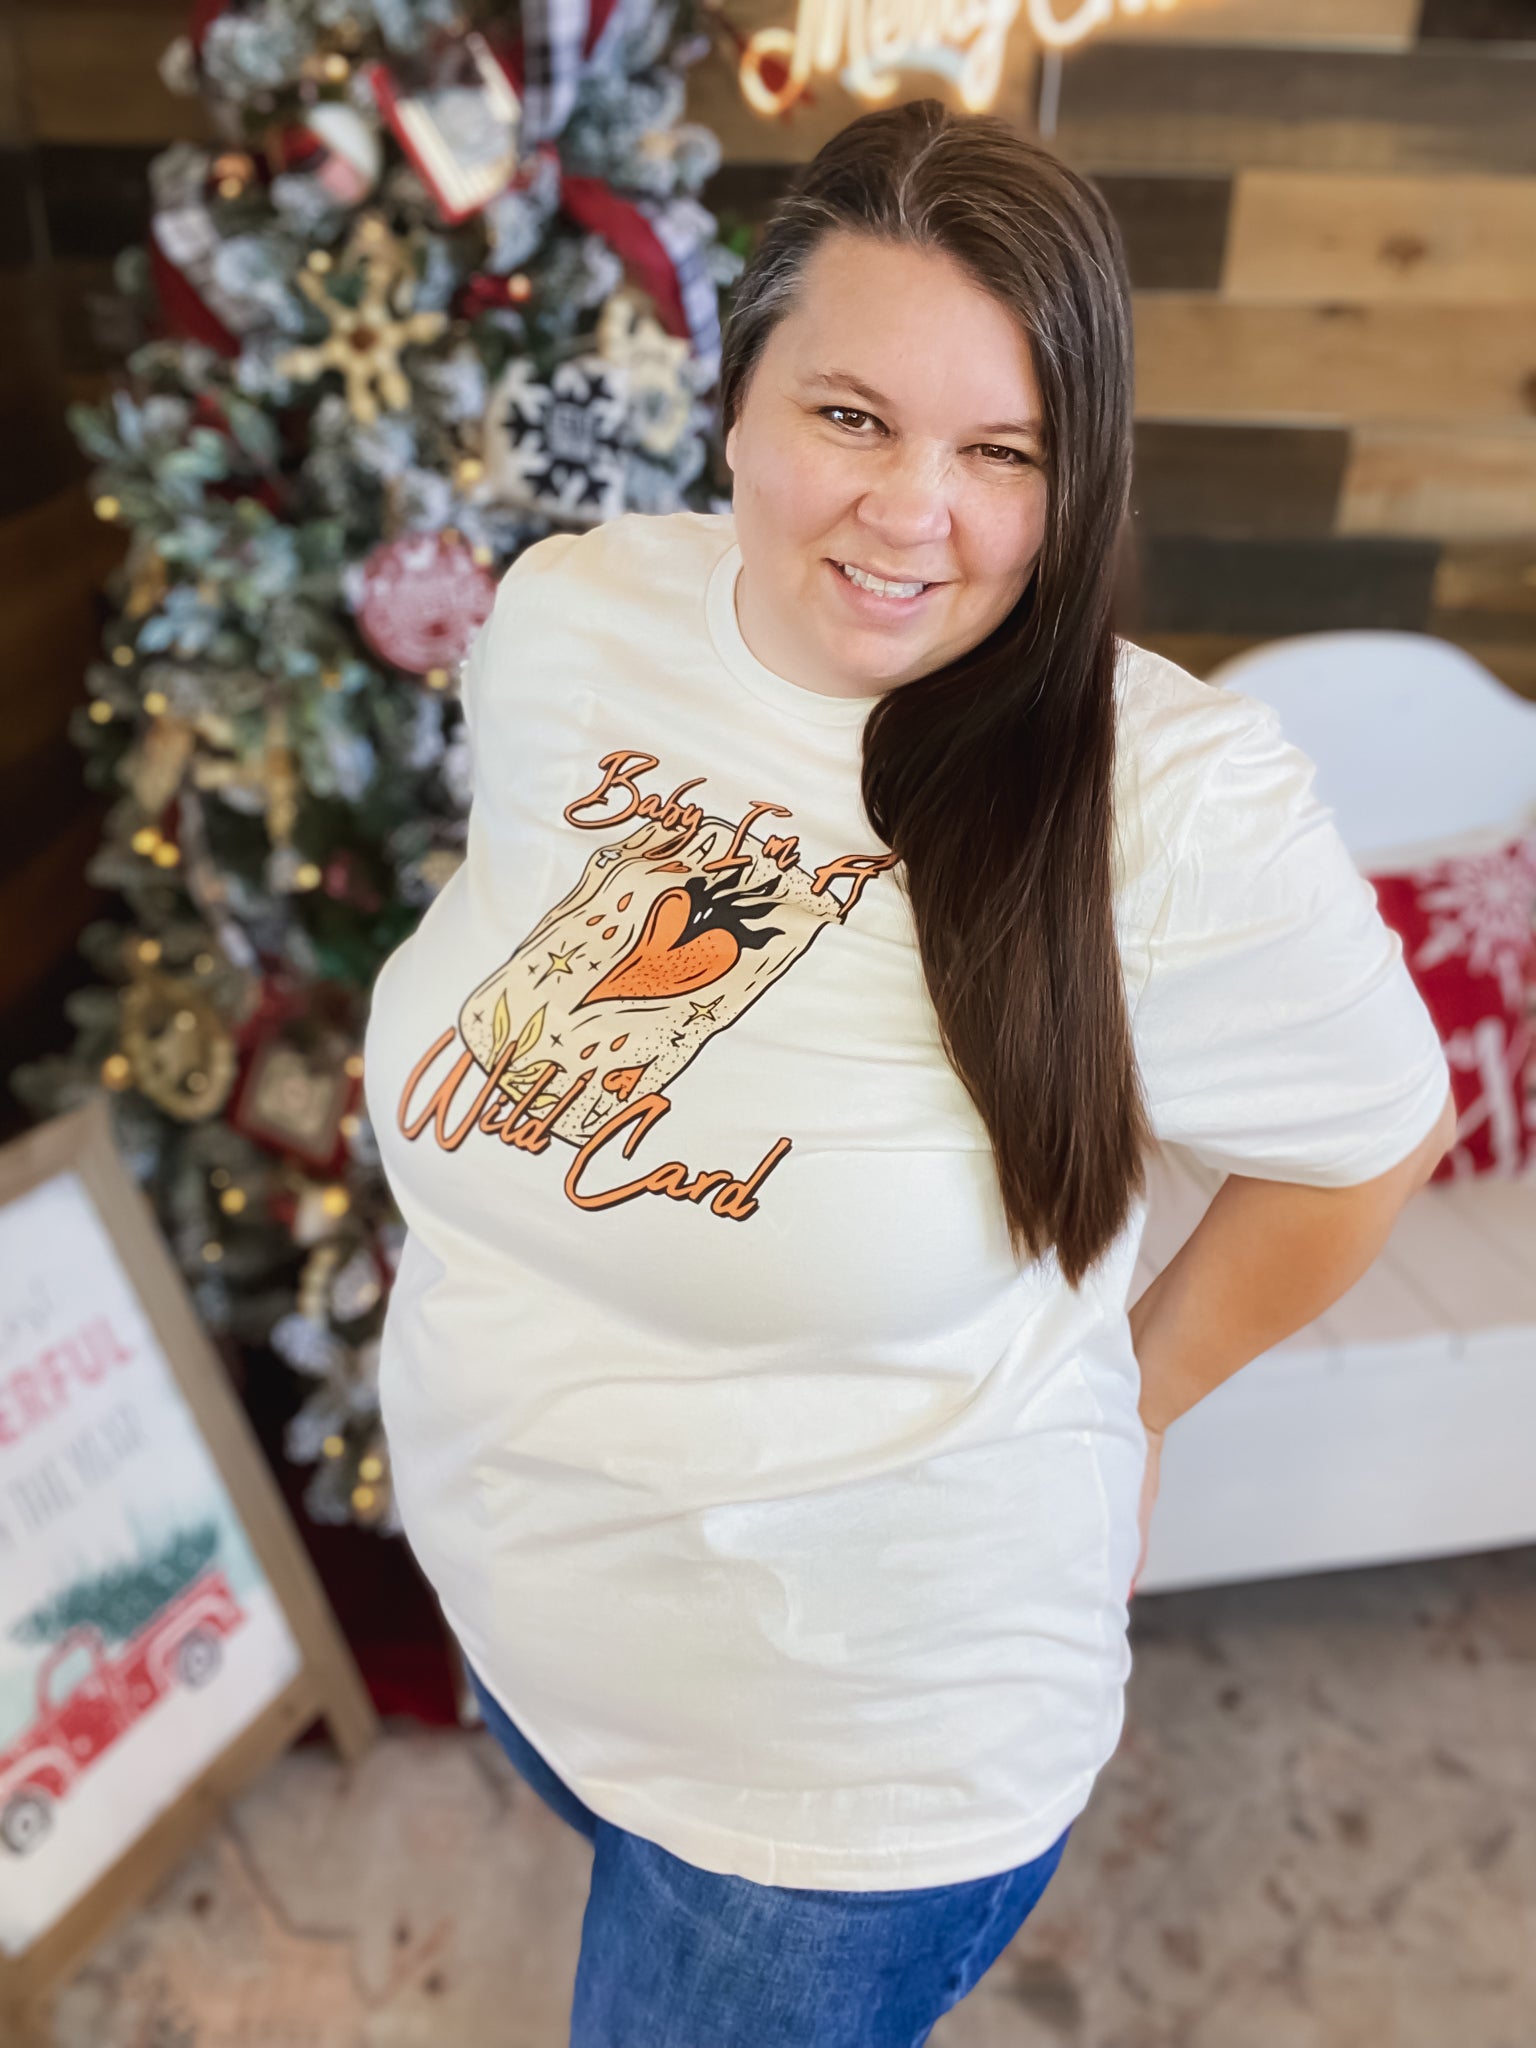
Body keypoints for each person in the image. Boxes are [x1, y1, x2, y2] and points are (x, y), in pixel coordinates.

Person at [363, 98, 1456, 2045]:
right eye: (852, 416)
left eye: (1000, 451)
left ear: (1077, 475)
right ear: (739, 401)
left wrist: (1138, 1401)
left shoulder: (1169, 803)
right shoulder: (575, 619)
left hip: (835, 1786)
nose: (910, 510)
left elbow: (1370, 1144)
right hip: (530, 1623)